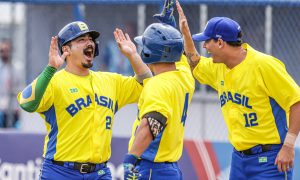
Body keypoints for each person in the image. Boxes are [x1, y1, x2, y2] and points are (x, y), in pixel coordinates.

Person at [176, 1, 300, 179]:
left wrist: (288, 146)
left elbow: (296, 102)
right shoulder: (219, 67)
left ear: (220, 42)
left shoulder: (264, 65)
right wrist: (186, 35)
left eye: (206, 41)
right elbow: (194, 62)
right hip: (239, 159)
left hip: (270, 159)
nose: (204, 47)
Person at [17, 21, 152, 180]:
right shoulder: (54, 81)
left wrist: (133, 55)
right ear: (66, 50)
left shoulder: (109, 81)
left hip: (100, 172)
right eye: (81, 40)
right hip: (60, 172)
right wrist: (50, 68)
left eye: (90, 39)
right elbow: (27, 103)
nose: (89, 43)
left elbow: (147, 86)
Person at [122, 1, 195, 179]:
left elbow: (151, 125)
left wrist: (130, 160)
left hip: (150, 168)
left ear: (150, 53)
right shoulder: (185, 77)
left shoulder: (157, 84)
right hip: (171, 169)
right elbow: (180, 55)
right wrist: (170, 25)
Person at [0, 39, 22, 128]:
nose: (4, 53)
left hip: (13, 108)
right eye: (2, 51)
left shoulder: (17, 68)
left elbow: (21, 88)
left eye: (7, 50)